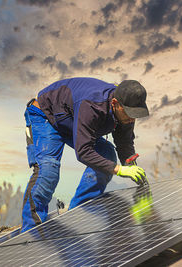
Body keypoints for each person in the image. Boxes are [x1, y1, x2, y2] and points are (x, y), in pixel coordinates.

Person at [21, 77, 149, 232]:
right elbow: (83, 152)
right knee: (48, 169)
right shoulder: (92, 104)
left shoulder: (127, 110)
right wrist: (119, 170)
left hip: (71, 119)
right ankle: (31, 232)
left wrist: (131, 167)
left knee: (107, 153)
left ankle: (78, 212)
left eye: (136, 114)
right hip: (46, 115)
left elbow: (124, 143)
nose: (132, 119)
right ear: (115, 103)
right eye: (129, 113)